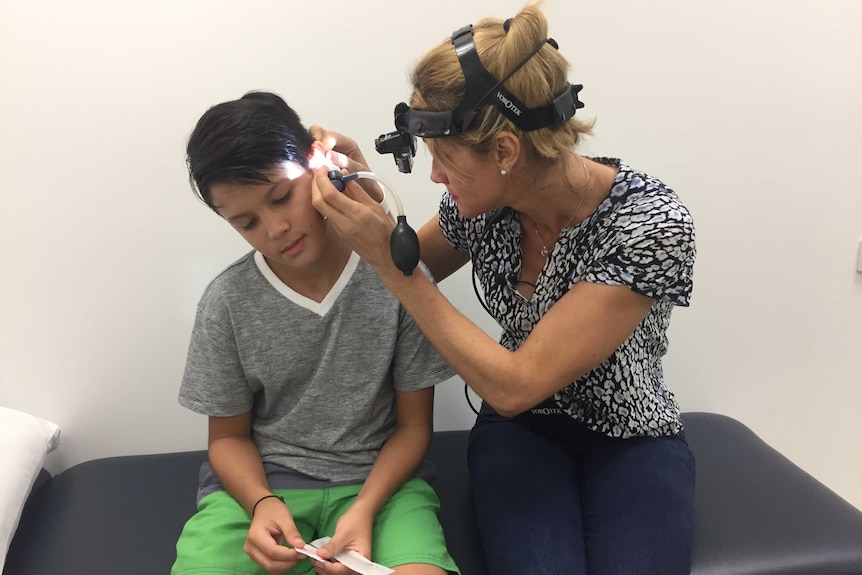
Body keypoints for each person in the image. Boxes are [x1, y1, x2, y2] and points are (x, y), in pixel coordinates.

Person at [309, 4, 697, 575]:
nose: (435, 177)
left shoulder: (651, 224)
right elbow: (406, 266)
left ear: (506, 152)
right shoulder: (486, 204)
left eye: (442, 158)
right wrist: (365, 191)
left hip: (633, 434)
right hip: (520, 433)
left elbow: (515, 382)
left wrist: (393, 266)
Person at [172, 90, 460, 575]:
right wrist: (262, 502)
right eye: (247, 223)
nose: (276, 228)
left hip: (381, 488)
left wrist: (364, 509)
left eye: (282, 196)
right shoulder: (227, 302)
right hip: (264, 490)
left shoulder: (397, 279)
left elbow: (414, 427)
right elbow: (226, 439)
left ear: (318, 164)